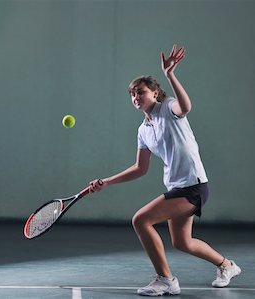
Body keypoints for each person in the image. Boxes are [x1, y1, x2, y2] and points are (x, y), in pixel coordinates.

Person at [88, 45, 241, 296]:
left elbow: (186, 106)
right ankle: (227, 266)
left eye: (141, 92)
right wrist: (106, 182)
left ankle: (166, 279)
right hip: (176, 187)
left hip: (193, 186)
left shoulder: (169, 108)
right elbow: (140, 168)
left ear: (155, 93)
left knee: (140, 220)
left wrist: (170, 74)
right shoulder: (143, 130)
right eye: (132, 95)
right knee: (182, 242)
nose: (136, 97)